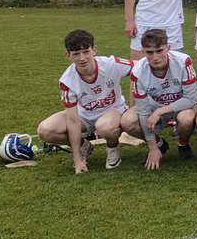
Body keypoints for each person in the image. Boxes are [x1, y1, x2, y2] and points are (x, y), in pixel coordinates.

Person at [37, 29, 132, 173]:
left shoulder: (111, 64)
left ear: (94, 50)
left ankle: (113, 149)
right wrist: (77, 159)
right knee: (45, 130)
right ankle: (84, 146)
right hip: (84, 116)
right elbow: (73, 121)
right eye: (76, 54)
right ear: (68, 55)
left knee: (104, 126)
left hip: (113, 111)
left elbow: (142, 67)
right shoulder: (67, 81)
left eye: (86, 52)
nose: (82, 58)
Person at [121, 28, 197, 168]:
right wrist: (152, 146)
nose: (155, 57)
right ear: (143, 52)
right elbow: (143, 111)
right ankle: (159, 144)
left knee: (186, 118)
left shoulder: (183, 61)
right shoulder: (138, 71)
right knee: (127, 121)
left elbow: (191, 98)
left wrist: (160, 112)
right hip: (154, 104)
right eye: (150, 52)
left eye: (159, 51)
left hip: (181, 103)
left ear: (168, 48)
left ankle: (183, 144)